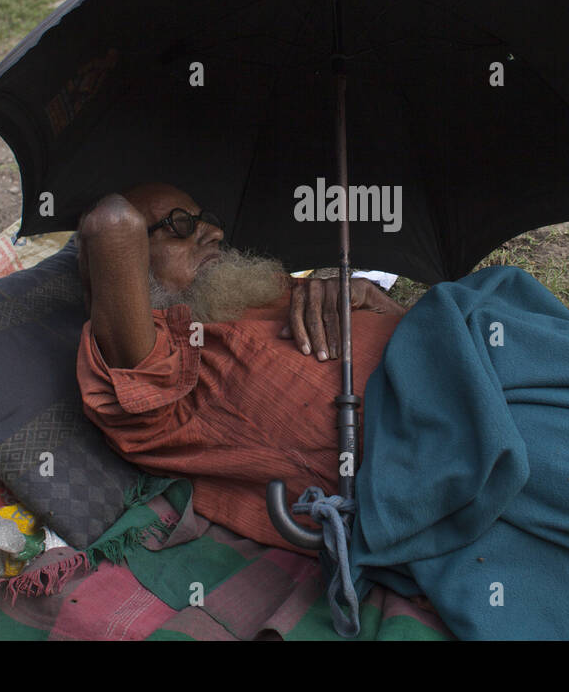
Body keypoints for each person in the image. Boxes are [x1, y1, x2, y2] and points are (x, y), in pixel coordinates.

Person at [74, 183, 407, 553]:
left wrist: (374, 300)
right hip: (427, 442)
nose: (215, 233)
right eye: (179, 224)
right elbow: (111, 223)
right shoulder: (166, 370)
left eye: (207, 221)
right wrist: (98, 274)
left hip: (456, 342)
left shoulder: (261, 294)